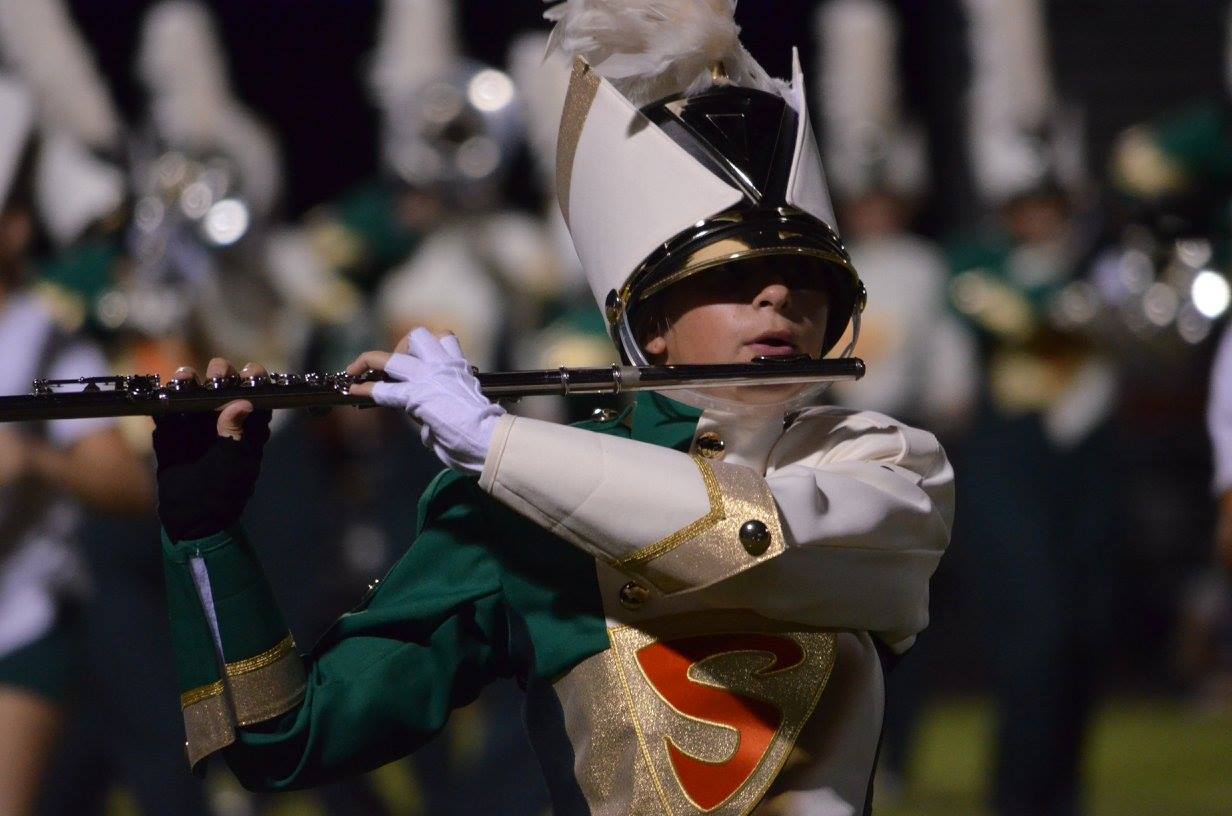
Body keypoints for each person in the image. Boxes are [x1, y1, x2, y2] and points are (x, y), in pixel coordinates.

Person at [152, 2, 953, 813]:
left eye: (803, 278)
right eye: (732, 278)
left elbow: (755, 537)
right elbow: (286, 741)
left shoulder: (886, 462)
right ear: (653, 326)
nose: (777, 296)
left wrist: (496, 444)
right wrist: (207, 533)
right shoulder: (515, 514)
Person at [0, 75, 152, 816]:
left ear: (15, 229)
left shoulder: (49, 339)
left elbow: (128, 486)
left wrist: (34, 461)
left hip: (20, 626)